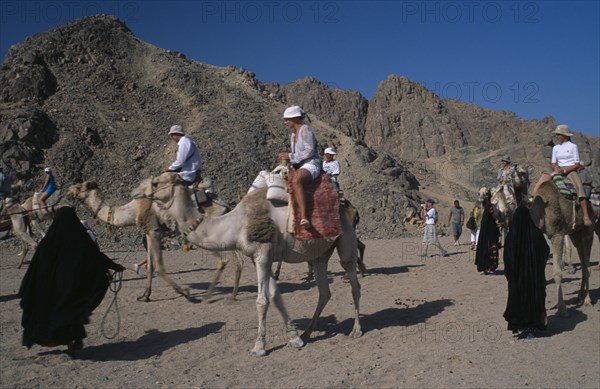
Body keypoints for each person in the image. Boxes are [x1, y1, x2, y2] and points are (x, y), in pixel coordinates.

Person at [18, 207, 126, 355]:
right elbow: (96, 257)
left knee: (59, 314)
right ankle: (70, 345)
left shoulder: (47, 243)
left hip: (51, 291)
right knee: (70, 315)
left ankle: (64, 343)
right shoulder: (80, 240)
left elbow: (35, 269)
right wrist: (116, 267)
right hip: (71, 290)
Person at [503, 206, 550, 339]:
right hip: (534, 279)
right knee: (534, 299)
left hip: (517, 280)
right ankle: (532, 327)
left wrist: (511, 275)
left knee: (516, 299)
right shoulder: (536, 234)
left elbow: (507, 258)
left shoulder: (511, 237)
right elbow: (545, 252)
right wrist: (537, 268)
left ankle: (518, 326)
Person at [533, 125, 592, 226]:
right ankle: (534, 202)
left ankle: (586, 215)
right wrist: (556, 168)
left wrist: (564, 170)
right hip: (558, 169)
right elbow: (553, 162)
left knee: (578, 187)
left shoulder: (573, 146)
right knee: (542, 179)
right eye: (556, 134)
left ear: (565, 135)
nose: (557, 136)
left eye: (559, 134)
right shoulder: (556, 148)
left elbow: (577, 164)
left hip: (570, 170)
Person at [278, 106, 321, 228]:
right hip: (300, 164)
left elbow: (310, 151)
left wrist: (291, 156)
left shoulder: (305, 129)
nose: (285, 122)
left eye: (287, 119)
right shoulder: (293, 136)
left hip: (311, 164)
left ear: (295, 118)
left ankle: (304, 217)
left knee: (297, 180)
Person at [475, 196, 501, 274]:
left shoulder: (487, 219)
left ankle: (489, 267)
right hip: (490, 241)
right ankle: (488, 267)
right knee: (489, 253)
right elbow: (492, 229)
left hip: (490, 241)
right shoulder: (488, 220)